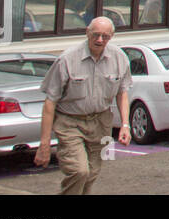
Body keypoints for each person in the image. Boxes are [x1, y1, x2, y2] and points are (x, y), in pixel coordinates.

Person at [34, 17, 132, 194]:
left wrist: (125, 125)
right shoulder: (67, 59)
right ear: (87, 32)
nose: (100, 40)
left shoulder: (119, 58)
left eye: (105, 36)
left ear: (111, 37)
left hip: (100, 123)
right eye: (96, 35)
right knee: (79, 171)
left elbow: (122, 93)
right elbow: (50, 103)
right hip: (70, 122)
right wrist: (44, 143)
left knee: (91, 174)